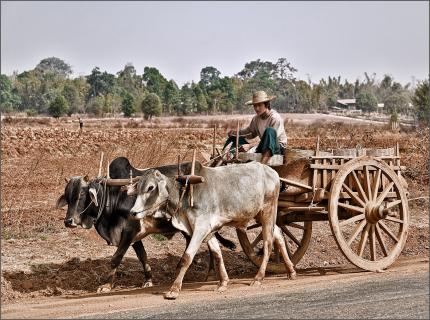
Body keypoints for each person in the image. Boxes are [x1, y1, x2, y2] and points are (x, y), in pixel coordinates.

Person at [224, 90, 287, 164]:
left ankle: (262, 166)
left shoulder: (275, 118)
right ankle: (224, 159)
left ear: (266, 104)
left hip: (276, 147)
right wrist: (236, 133)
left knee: (269, 131)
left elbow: (271, 139)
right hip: (263, 146)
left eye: (259, 105)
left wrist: (250, 146)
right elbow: (251, 133)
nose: (256, 108)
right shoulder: (256, 119)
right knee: (233, 138)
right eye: (255, 106)